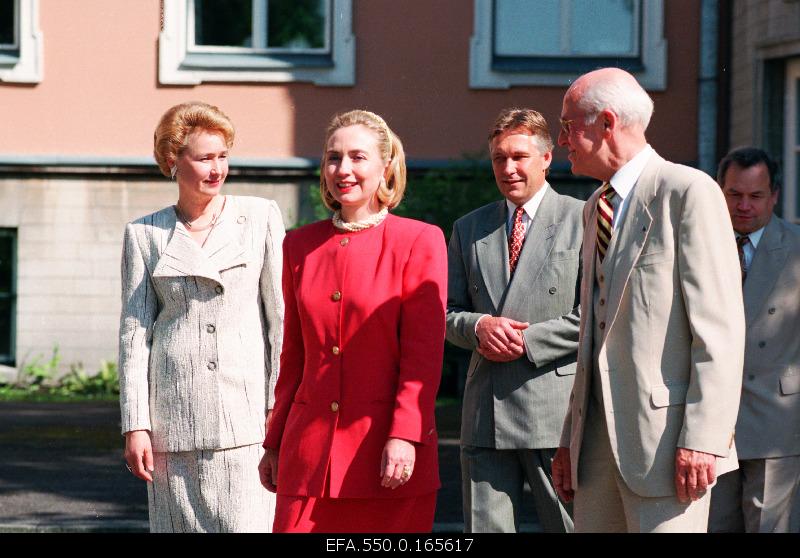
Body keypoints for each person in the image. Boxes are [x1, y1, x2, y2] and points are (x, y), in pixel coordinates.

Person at [551, 68, 745, 532]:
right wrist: (569, 441)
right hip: (594, 453)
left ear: (607, 123)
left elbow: (719, 331)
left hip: (669, 450)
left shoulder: (688, 191)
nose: (562, 141)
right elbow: (592, 338)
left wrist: (704, 440)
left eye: (568, 125)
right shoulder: (592, 207)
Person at [259, 109, 447, 532]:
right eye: (333, 158)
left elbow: (422, 358)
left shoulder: (419, 241)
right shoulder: (298, 245)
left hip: (385, 453)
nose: (343, 170)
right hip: (307, 456)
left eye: (357, 157)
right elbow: (294, 356)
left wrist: (405, 436)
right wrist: (275, 441)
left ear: (386, 165)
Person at [118, 101, 284, 532]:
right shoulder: (144, 234)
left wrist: (277, 406)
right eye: (205, 158)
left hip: (245, 422)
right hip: (173, 424)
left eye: (223, 156)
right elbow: (135, 334)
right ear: (174, 161)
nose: (217, 169)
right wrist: (136, 425)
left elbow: (281, 321)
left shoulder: (259, 218)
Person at [445, 108, 582, 533]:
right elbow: (446, 312)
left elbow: (600, 313)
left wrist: (528, 341)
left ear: (546, 158)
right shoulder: (470, 228)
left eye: (519, 156)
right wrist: (479, 327)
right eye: (499, 158)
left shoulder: (585, 218)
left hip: (554, 414)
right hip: (486, 413)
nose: (508, 168)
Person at [708, 147, 800, 533]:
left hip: (777, 419)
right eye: (734, 194)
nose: (744, 206)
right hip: (709, 421)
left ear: (774, 195)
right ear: (719, 191)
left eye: (756, 195)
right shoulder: (698, 245)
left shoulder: (796, 246)